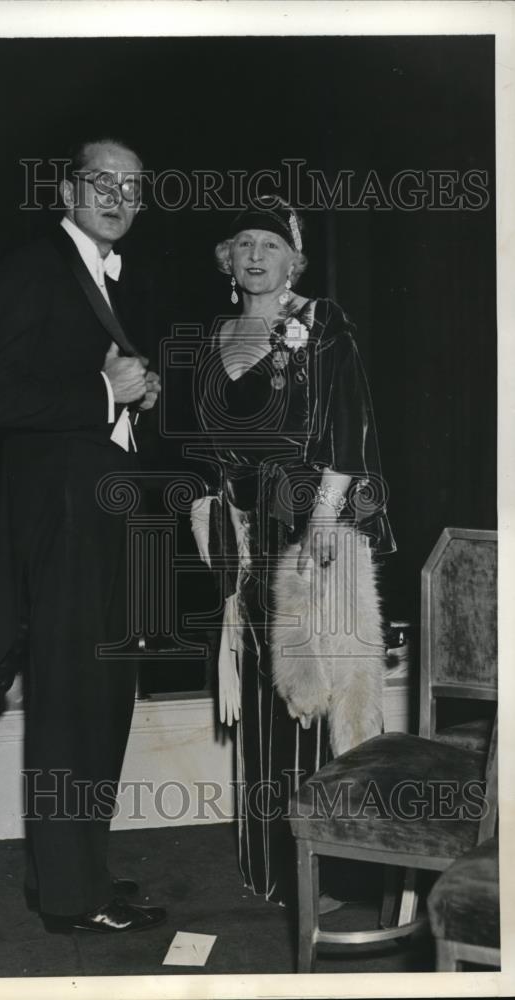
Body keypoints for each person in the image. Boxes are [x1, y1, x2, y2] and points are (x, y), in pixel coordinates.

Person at [0, 137, 165, 933]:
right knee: (68, 705)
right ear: (66, 189)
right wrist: (101, 390)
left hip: (100, 510)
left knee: (99, 698)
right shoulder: (33, 265)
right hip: (60, 518)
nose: (118, 198)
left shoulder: (99, 271)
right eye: (102, 183)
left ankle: (79, 872)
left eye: (133, 187)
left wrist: (134, 393)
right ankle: (66, 895)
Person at [190, 200, 395, 908]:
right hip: (244, 535)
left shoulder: (323, 324)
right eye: (242, 242)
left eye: (270, 245)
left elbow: (349, 430)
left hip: (312, 529)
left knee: (320, 693)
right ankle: (269, 866)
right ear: (226, 258)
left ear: (293, 260)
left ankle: (334, 872)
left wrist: (320, 532)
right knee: (261, 692)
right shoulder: (214, 332)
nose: (254, 255)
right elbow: (199, 445)